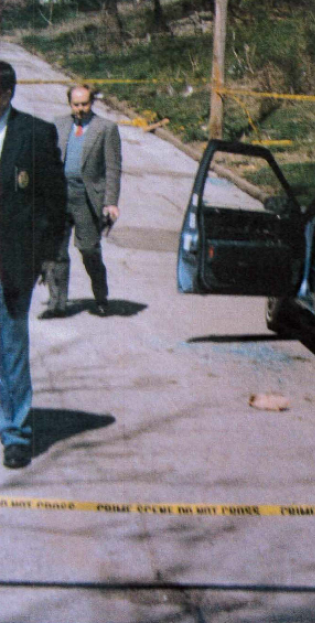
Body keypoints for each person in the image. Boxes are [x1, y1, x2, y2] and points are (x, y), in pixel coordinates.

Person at [0, 61, 66, 468]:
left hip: (12, 264)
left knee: (11, 350)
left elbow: (54, 204)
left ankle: (16, 433)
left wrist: (45, 255)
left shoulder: (35, 135)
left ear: (6, 95)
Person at [41, 84, 121, 319]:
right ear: (70, 104)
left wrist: (111, 201)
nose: (80, 109)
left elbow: (113, 169)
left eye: (85, 103)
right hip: (59, 196)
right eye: (76, 104)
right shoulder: (58, 124)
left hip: (87, 199)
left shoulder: (106, 128)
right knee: (56, 252)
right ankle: (58, 303)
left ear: (92, 102)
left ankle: (101, 297)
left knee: (89, 250)